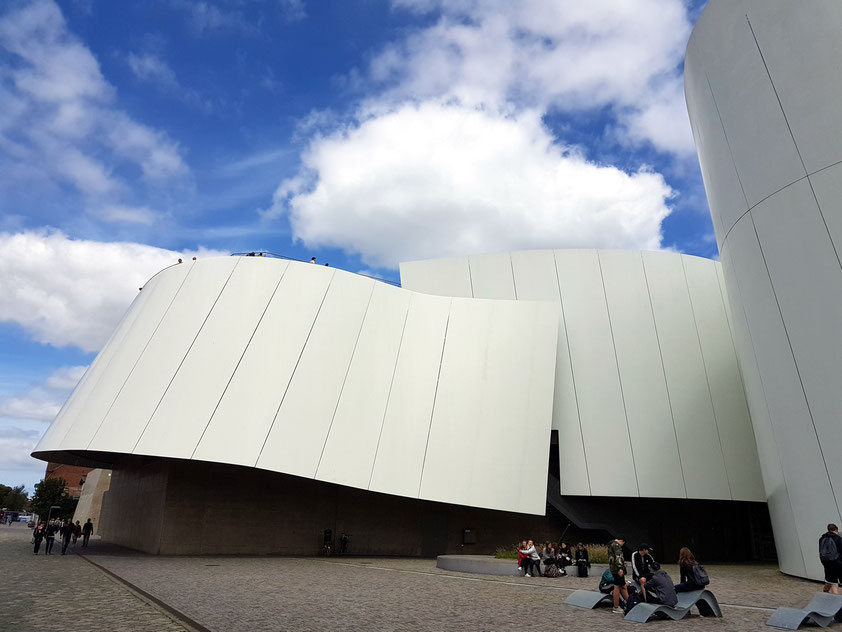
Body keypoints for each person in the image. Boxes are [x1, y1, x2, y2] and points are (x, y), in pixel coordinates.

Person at [608, 536, 629, 614]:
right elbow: (618, 556)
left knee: (622, 585)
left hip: (613, 568)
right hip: (617, 569)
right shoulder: (617, 545)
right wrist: (620, 567)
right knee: (617, 586)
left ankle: (629, 602)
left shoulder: (611, 544)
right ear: (622, 541)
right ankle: (616, 607)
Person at [819, 523, 842, 594]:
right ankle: (837, 602)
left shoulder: (822, 538)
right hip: (837, 562)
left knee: (830, 580)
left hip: (826, 562)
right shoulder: (838, 538)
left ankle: (825, 591)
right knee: (834, 584)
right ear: (836, 530)